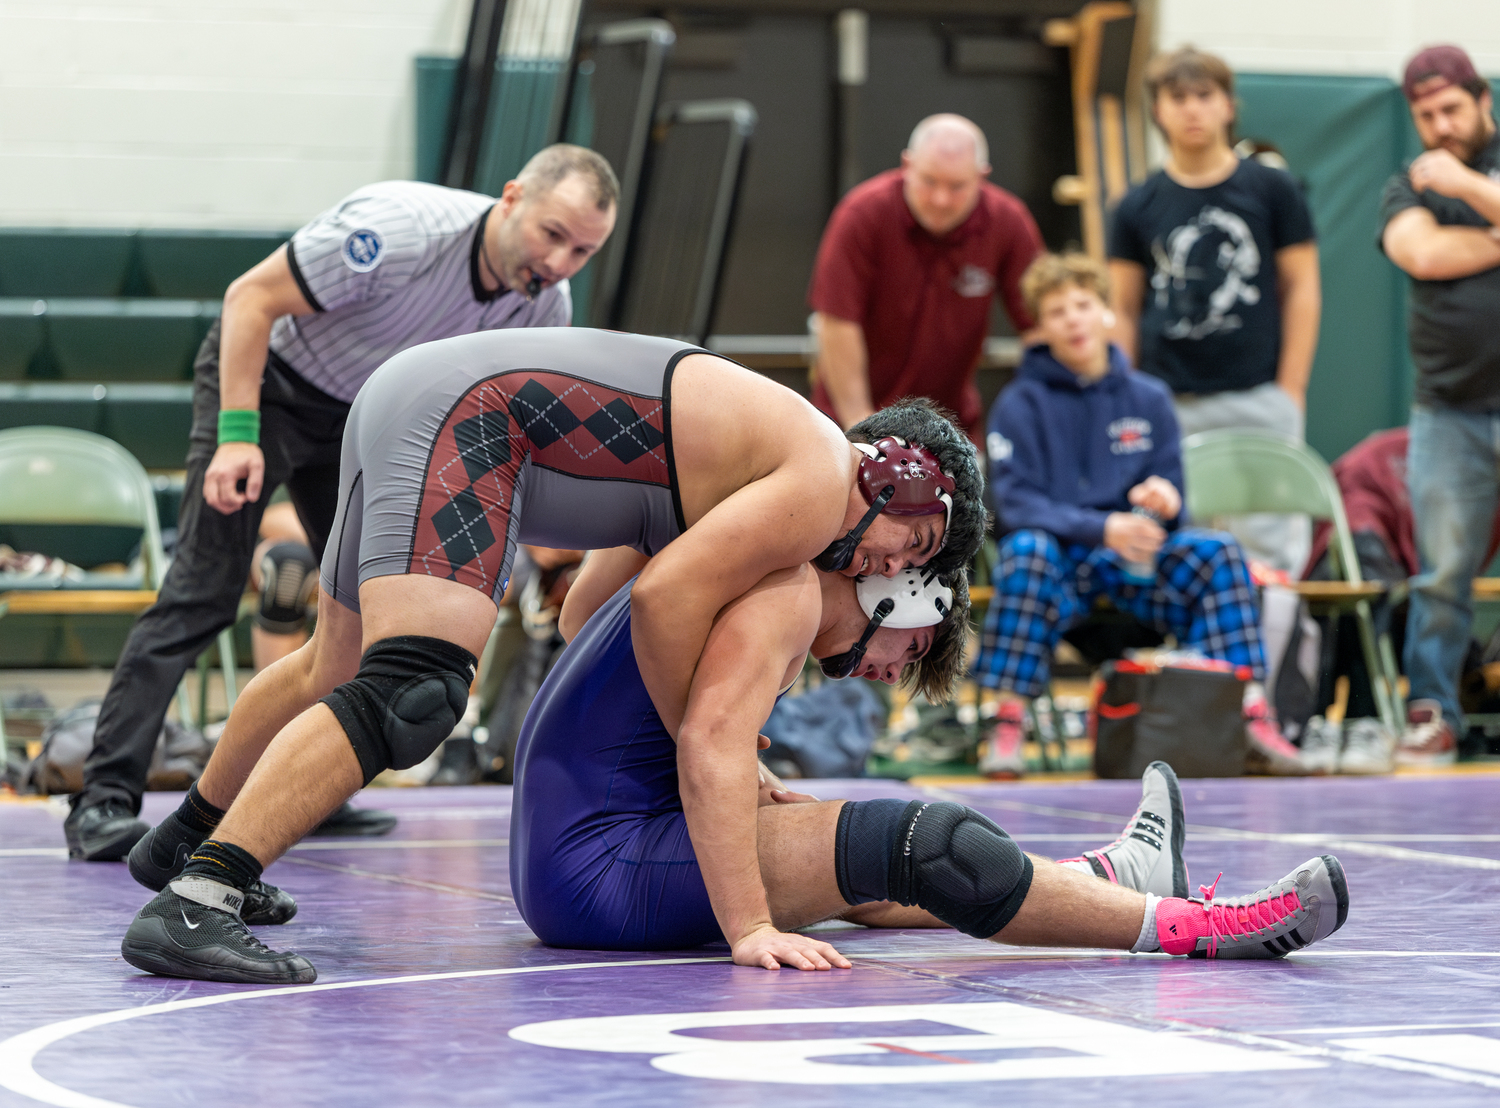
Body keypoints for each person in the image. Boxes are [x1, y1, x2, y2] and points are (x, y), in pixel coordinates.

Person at [116, 332, 987, 978]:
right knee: (410, 692)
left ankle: (186, 839)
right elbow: (662, 599)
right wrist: (709, 740)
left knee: (329, 669)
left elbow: (584, 611)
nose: (899, 565)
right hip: (469, 415)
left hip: (412, 391)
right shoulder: (820, 482)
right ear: (898, 477)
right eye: (918, 541)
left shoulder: (754, 462)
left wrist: (705, 734)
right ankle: (201, 898)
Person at [64, 144, 621, 862]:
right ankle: (103, 801)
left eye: (583, 250)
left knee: (363, 617)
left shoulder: (547, 304)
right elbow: (250, 299)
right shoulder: (400, 231)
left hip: (365, 422)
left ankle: (316, 793)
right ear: (510, 197)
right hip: (270, 389)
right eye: (553, 234)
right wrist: (237, 435)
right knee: (201, 592)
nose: (561, 261)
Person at [506, 566, 1345, 971]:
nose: (893, 670)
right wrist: (751, 929)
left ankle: (1111, 875)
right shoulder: (790, 587)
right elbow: (707, 748)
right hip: (598, 861)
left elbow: (586, 610)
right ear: (897, 591)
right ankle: (1203, 930)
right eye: (912, 649)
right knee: (919, 842)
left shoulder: (746, 550)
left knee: (863, 876)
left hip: (580, 846)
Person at [974, 253, 1271, 778]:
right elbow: (1015, 506)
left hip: (1136, 563)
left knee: (1218, 554)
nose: (1072, 319)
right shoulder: (1020, 404)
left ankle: (1247, 718)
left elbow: (1172, 494)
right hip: (1060, 568)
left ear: (1107, 314)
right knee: (1025, 550)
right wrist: (1102, 527)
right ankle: (1007, 723)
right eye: (1057, 310)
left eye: (1083, 305)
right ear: (1041, 327)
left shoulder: (1149, 398)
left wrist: (1164, 501)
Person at [1108, 47, 1321, 575]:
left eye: (1204, 95)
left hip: (1259, 397)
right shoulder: (1136, 205)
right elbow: (1124, 308)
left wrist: (1290, 389)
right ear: (1157, 110)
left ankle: (1270, 656)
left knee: (1270, 558)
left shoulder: (1272, 189)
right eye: (1177, 97)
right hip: (1170, 401)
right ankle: (1185, 660)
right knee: (1173, 553)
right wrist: (1126, 397)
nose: (1192, 109)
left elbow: (1302, 288)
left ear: (1228, 105)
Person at [1379, 44, 1500, 767]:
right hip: (1449, 409)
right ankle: (1434, 712)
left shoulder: (1447, 174)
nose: (1440, 126)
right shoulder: (1407, 183)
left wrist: (1468, 186)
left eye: (1451, 108)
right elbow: (1420, 255)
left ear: (1483, 100)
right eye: (1425, 116)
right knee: (1443, 574)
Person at [808, 113, 1044, 439]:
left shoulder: (1008, 222)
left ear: (982, 176)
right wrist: (861, 430)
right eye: (929, 181)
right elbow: (836, 324)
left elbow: (1039, 325)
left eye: (957, 186)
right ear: (907, 165)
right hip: (849, 420)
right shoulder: (862, 215)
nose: (941, 200)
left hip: (949, 428)